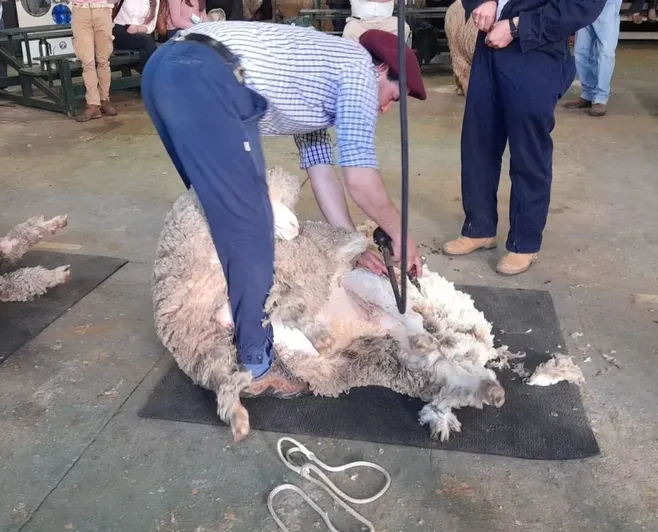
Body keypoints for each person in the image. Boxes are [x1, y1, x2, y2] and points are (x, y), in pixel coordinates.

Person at [142, 22, 426, 397]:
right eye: (394, 95)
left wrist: (353, 246)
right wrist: (401, 234)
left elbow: (322, 173)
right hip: (206, 76)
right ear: (381, 70)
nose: (387, 109)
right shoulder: (358, 68)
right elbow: (360, 181)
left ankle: (223, 310)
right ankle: (257, 362)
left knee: (214, 210)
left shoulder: (323, 82)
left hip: (163, 68)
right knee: (250, 225)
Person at [441, 0, 605, 275]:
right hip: (489, 44)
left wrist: (518, 26)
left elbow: (582, 5)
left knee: (528, 153)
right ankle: (479, 227)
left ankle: (524, 242)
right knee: (478, 142)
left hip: (535, 51)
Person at [561, 0, 621, 117]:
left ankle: (600, 98)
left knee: (605, 52)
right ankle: (588, 94)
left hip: (607, 4)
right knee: (581, 51)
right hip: (585, 4)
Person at [70, 0, 118, 122]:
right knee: (87, 62)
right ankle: (93, 104)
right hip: (80, 9)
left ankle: (104, 99)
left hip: (102, 9)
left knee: (104, 60)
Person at [112, 0, 160, 73]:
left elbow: (151, 25)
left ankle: (148, 76)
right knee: (147, 41)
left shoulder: (154, 1)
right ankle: (157, 74)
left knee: (144, 48)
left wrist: (138, 29)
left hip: (140, 32)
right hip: (121, 31)